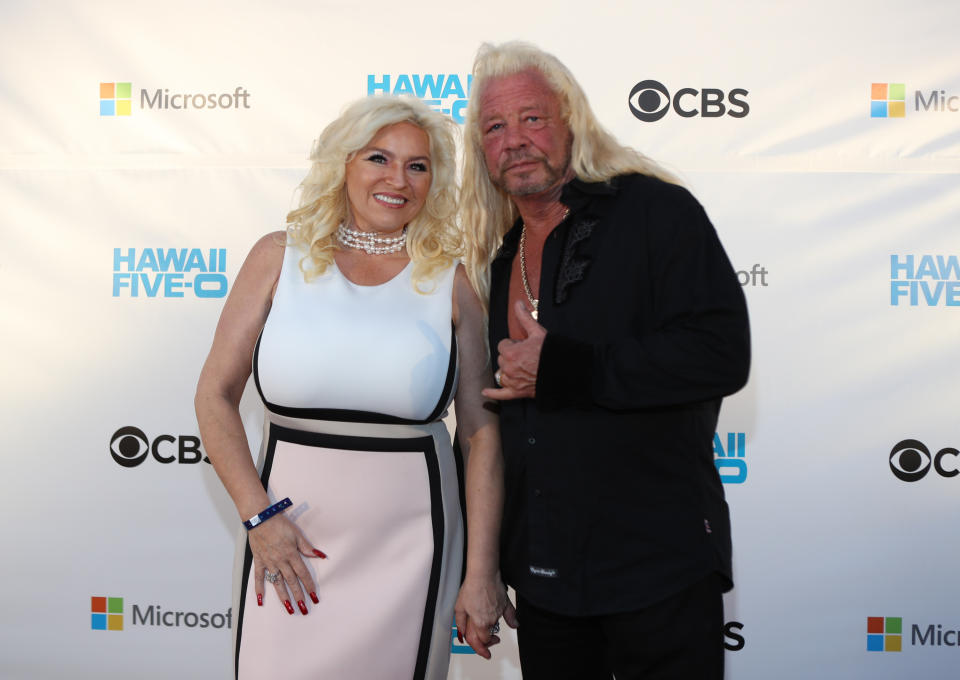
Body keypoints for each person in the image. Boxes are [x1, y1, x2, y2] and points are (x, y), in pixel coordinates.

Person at [459, 42, 751, 679]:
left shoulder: (654, 210)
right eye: (495, 127)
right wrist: (487, 566)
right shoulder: (501, 254)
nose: (515, 140)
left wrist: (563, 367)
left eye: (532, 118)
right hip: (547, 580)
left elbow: (721, 354)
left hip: (656, 567)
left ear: (571, 119)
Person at [195, 96, 508, 680]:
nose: (398, 179)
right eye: (378, 158)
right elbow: (213, 395)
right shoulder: (277, 257)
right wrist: (257, 517)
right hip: (284, 537)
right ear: (343, 163)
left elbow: (481, 436)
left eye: (418, 165)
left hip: (412, 544)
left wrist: (481, 571)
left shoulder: (452, 279)